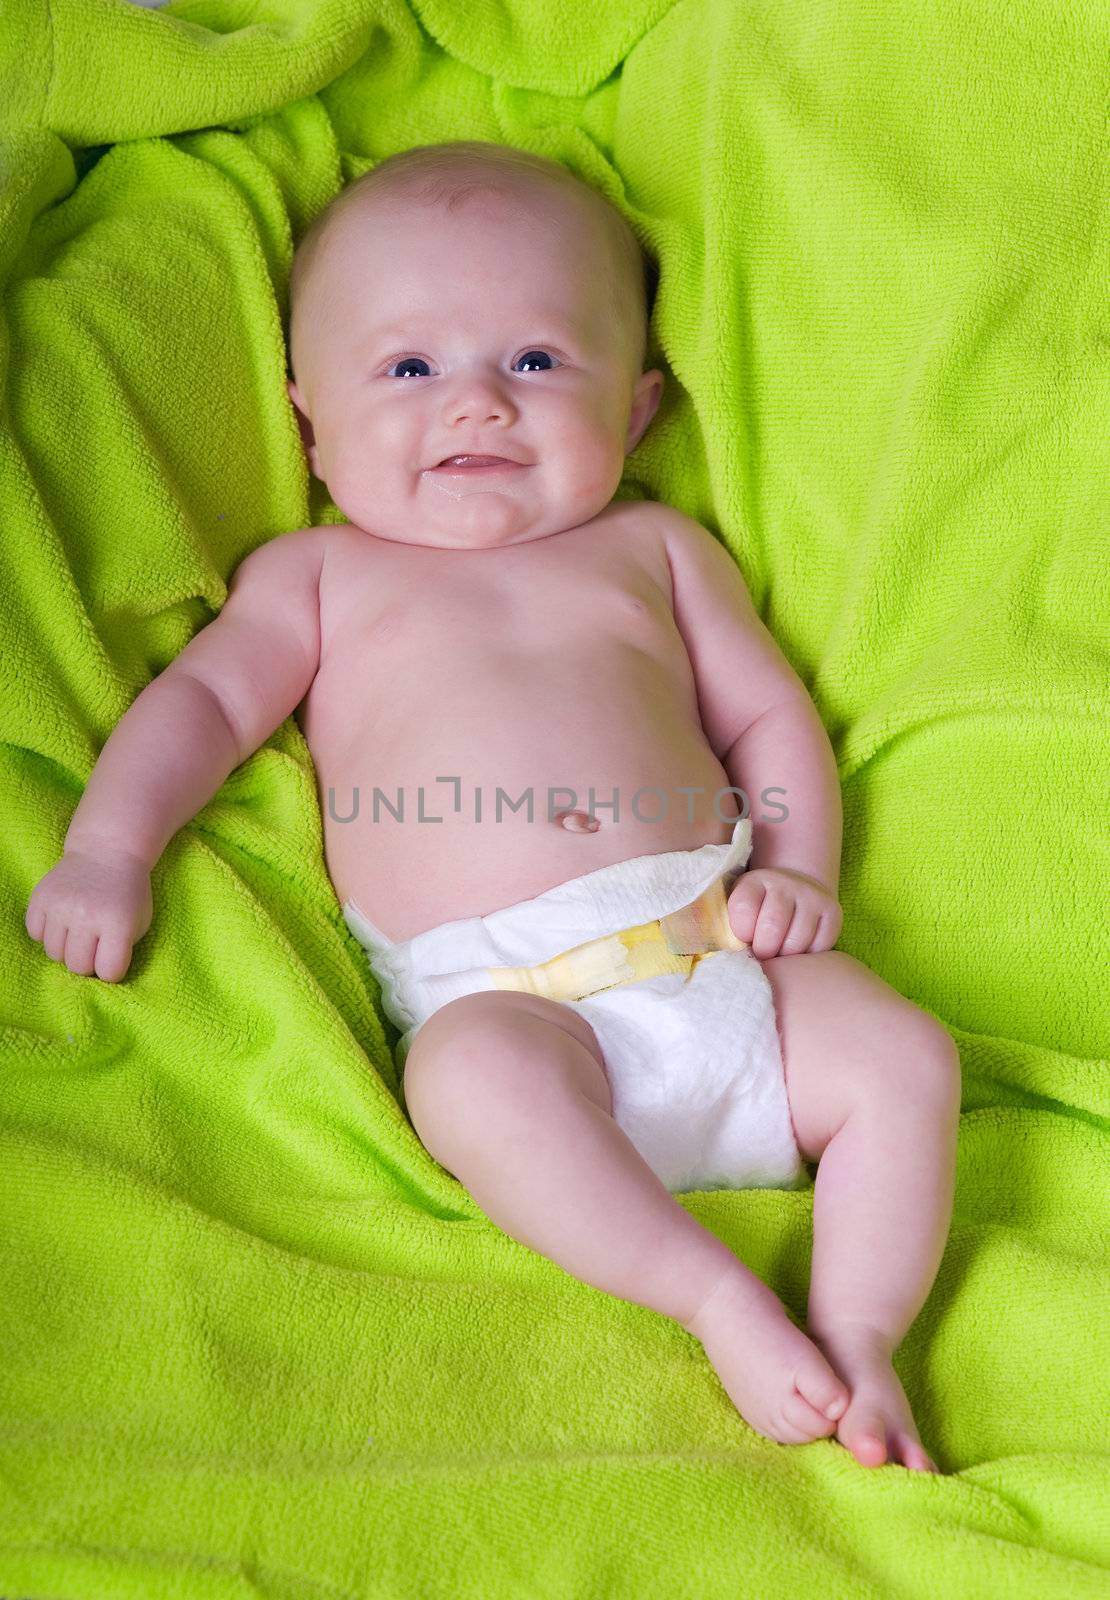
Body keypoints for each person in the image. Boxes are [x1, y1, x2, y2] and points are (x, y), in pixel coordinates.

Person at [25, 140, 960, 1472]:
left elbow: (765, 719)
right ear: (309, 425)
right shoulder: (316, 578)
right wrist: (110, 849)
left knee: (901, 1057)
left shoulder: (656, 551)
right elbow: (204, 711)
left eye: (535, 362)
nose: (476, 406)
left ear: (635, 414)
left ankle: (860, 1338)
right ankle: (714, 1301)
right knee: (467, 1082)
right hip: (512, 1006)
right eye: (409, 369)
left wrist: (798, 870)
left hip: (722, 955)